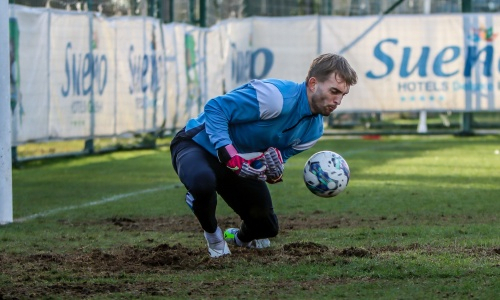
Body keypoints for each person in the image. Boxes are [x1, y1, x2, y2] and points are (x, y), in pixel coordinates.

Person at [170, 53, 357, 257]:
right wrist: (228, 152)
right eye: (334, 91)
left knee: (267, 227)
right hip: (197, 144)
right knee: (202, 183)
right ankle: (214, 237)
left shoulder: (314, 132)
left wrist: (273, 171)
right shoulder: (275, 98)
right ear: (313, 83)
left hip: (238, 163)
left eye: (342, 95)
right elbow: (216, 108)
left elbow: (270, 161)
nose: (338, 100)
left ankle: (238, 239)